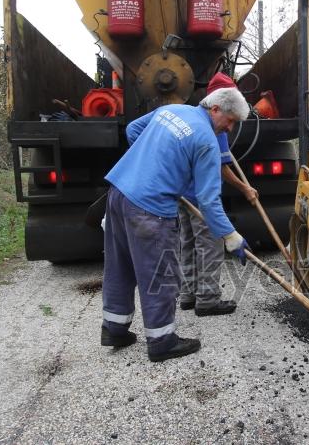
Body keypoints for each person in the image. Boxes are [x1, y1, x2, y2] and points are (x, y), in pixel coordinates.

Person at [100, 87, 251, 362]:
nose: (229, 129)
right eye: (229, 120)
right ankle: (161, 341)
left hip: (118, 193)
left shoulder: (172, 110)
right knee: (160, 273)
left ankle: (114, 329)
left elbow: (133, 130)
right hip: (149, 209)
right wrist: (231, 236)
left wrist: (154, 163)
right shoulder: (206, 140)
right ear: (215, 109)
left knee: (119, 265)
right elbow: (208, 200)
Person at [178, 73, 258, 316]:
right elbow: (222, 168)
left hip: (181, 193)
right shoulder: (216, 126)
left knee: (188, 244)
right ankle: (208, 299)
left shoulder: (191, 114)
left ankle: (188, 295)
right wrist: (244, 188)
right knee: (210, 245)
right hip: (201, 196)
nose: (231, 125)